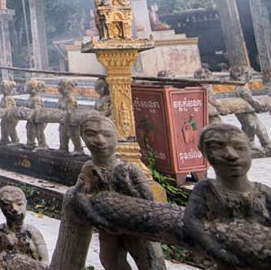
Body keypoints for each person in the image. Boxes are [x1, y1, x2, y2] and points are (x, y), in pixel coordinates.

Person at [75, 115, 165, 269]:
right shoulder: (88, 168)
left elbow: (148, 200)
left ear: (116, 137)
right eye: (91, 134)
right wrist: (97, 217)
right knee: (110, 260)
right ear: (82, 137)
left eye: (107, 135)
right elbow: (81, 195)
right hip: (108, 226)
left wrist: (128, 191)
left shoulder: (129, 169)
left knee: (150, 262)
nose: (100, 141)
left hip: (137, 226)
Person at [184, 124, 271, 270]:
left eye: (240, 148)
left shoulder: (263, 191)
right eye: (217, 147)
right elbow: (193, 222)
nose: (231, 155)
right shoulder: (206, 189)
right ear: (204, 153)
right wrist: (216, 251)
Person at [0, 186, 49, 265]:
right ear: (0, 206)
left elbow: (44, 262)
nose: (14, 208)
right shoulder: (1, 230)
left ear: (25, 203)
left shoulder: (32, 232)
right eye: (7, 204)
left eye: (19, 204)